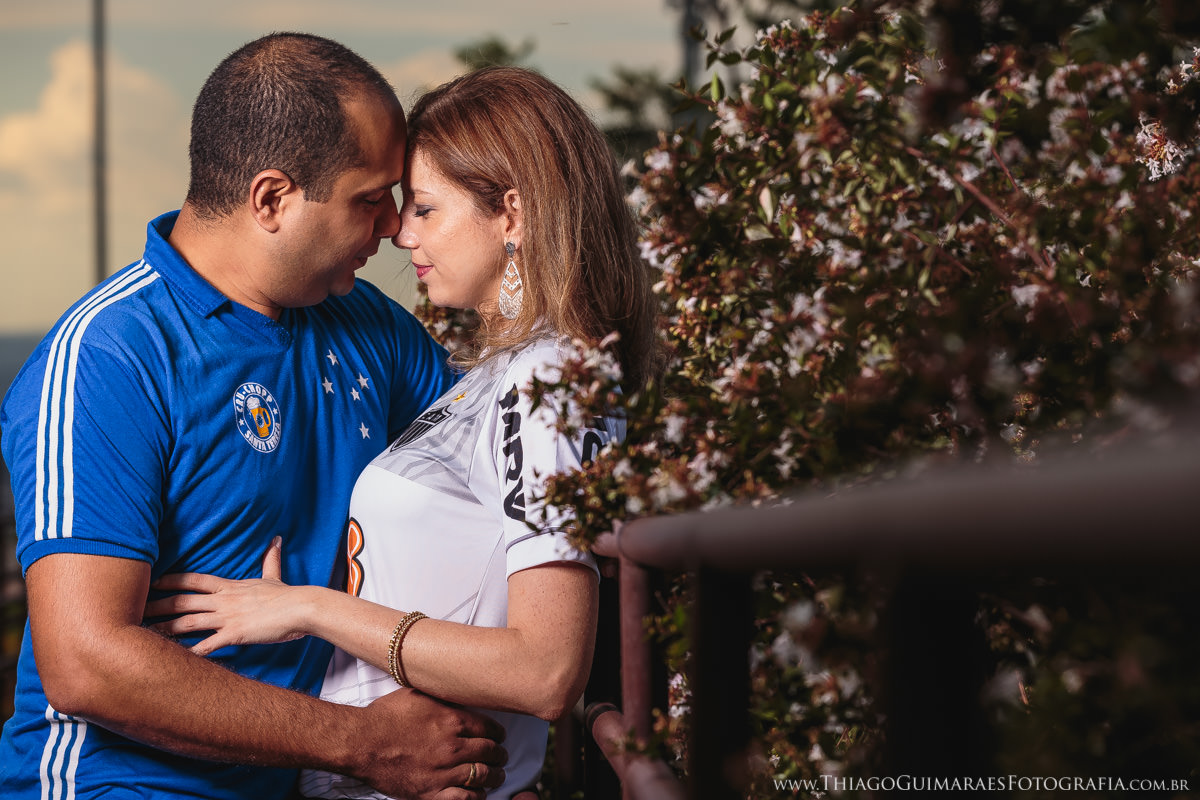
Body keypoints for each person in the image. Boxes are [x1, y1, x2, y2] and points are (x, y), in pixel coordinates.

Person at [0, 33, 507, 800]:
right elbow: (86, 664)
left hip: (299, 779)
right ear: (271, 199)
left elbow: (503, 469)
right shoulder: (108, 357)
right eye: (371, 199)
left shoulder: (367, 326)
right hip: (122, 786)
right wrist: (362, 742)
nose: (395, 229)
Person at [145, 66, 663, 799]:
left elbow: (544, 671)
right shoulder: (501, 372)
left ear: (511, 215)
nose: (399, 231)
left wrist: (306, 607)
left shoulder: (550, 378)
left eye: (423, 208)